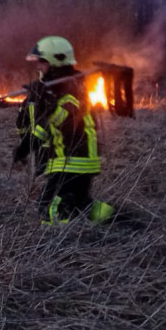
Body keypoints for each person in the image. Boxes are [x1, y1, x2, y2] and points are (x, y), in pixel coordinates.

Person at [13, 36, 114, 226]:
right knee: (80, 205)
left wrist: (24, 148)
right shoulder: (58, 89)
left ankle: (60, 240)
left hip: (73, 160)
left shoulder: (69, 91)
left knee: (49, 207)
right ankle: (121, 220)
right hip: (73, 159)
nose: (38, 66)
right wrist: (39, 98)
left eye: (42, 61)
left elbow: (52, 124)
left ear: (55, 62)